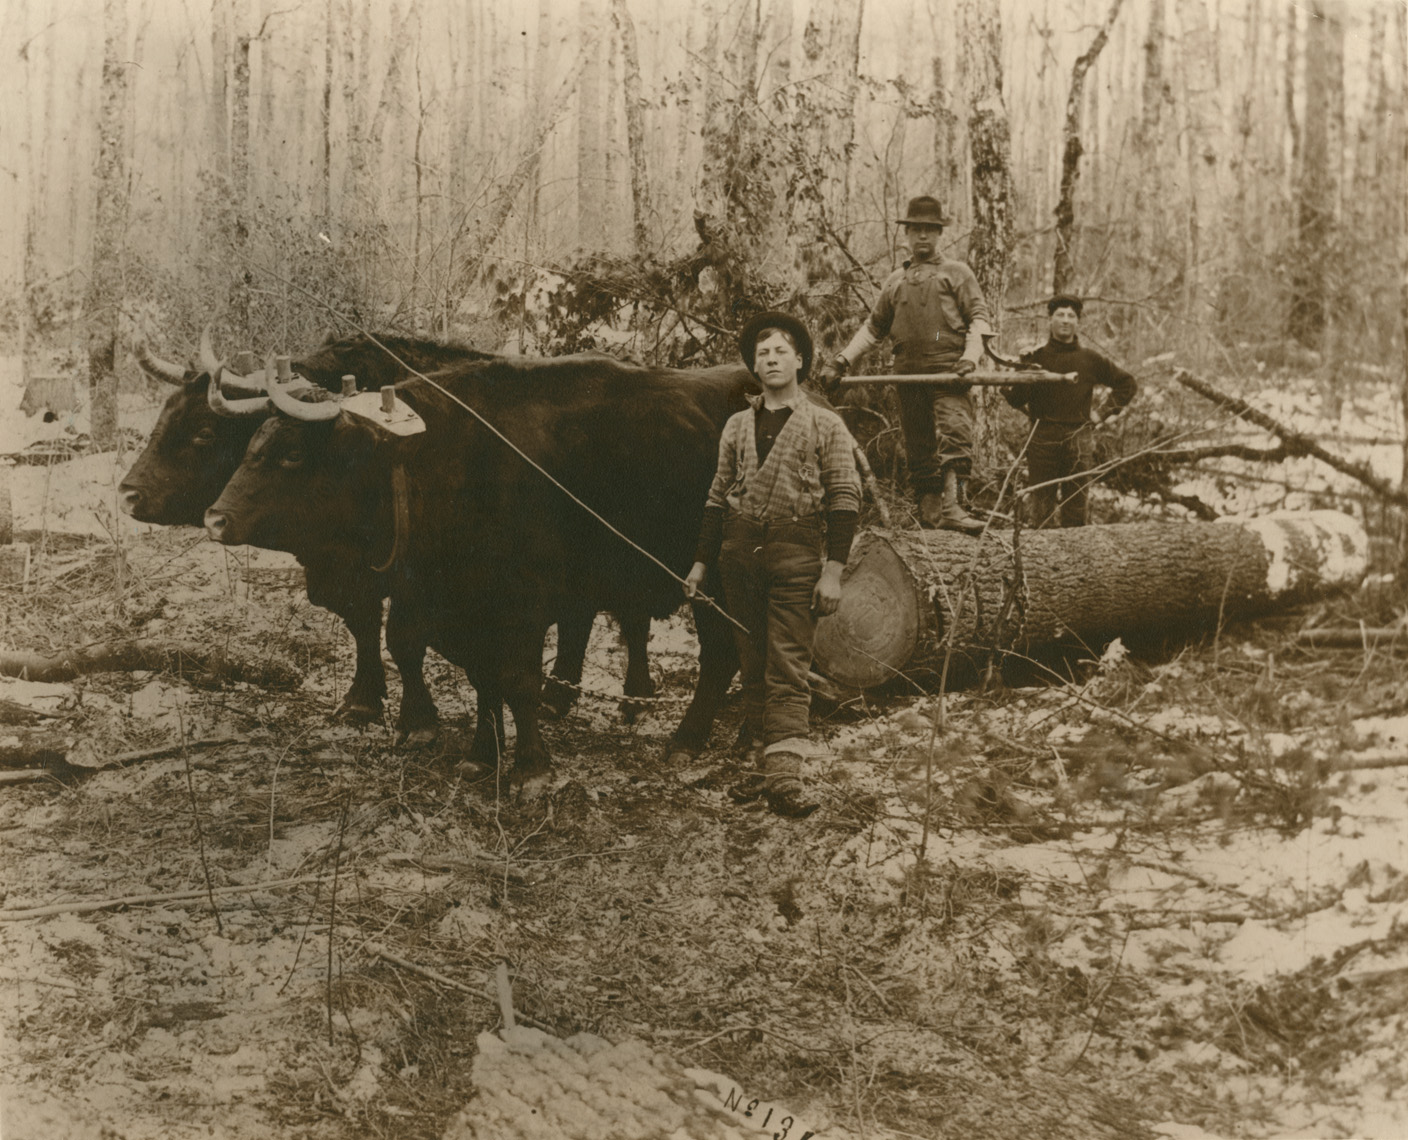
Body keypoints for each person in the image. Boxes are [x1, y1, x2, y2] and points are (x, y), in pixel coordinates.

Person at [684, 312, 862, 819]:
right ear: (753, 367)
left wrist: (832, 571)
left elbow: (845, 499)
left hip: (796, 553)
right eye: (762, 353)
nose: (771, 359)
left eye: (781, 351)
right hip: (738, 556)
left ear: (800, 361)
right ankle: (763, 762)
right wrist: (700, 563)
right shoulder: (738, 424)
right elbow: (717, 498)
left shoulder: (826, 423)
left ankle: (785, 776)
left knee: (787, 663)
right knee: (751, 660)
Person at [816, 195, 993, 532]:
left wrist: (969, 359)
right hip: (908, 374)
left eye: (929, 230)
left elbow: (980, 321)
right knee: (918, 445)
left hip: (949, 371)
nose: (922, 237)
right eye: (916, 230)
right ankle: (930, 516)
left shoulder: (957, 273)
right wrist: (842, 360)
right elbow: (874, 328)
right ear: (907, 234)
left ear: (939, 233)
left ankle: (955, 507)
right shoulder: (895, 280)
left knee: (955, 432)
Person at [1003, 294, 1137, 527]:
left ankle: (1075, 562)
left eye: (1071, 316)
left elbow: (1127, 384)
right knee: (1041, 510)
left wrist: (1100, 414)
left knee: (1075, 509)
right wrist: (1013, 377)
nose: (1065, 320)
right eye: (1060, 315)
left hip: (1079, 439)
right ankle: (1041, 559)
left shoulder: (1090, 359)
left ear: (1078, 322)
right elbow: (1017, 399)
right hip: (1042, 437)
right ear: (1050, 320)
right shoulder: (1036, 358)